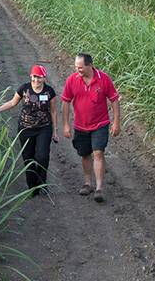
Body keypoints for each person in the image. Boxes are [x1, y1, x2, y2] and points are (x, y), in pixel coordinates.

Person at [0, 64, 58, 197]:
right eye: (34, 77)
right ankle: (32, 188)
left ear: (44, 78)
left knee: (42, 156)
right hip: (25, 128)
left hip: (44, 128)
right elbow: (12, 103)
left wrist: (55, 131)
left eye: (39, 78)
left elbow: (54, 111)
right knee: (28, 157)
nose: (36, 81)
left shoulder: (49, 92)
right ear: (31, 76)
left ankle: (42, 184)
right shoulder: (24, 89)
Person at [60, 52, 120, 203]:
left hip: (100, 124)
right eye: (76, 67)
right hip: (81, 125)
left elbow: (114, 100)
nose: (77, 70)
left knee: (98, 153)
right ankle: (88, 183)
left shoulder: (103, 79)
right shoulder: (72, 80)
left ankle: (99, 188)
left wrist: (116, 122)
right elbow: (66, 102)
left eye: (80, 67)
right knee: (85, 154)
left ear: (90, 65)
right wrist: (66, 124)